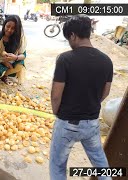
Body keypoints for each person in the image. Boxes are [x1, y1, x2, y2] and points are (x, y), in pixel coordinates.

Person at [50, 15, 113, 180]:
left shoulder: (65, 59)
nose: (69, 43)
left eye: (68, 38)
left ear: (73, 35)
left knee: (57, 167)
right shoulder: (107, 61)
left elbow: (56, 94)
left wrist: (57, 113)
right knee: (101, 165)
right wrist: (90, 103)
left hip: (67, 123)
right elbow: (106, 92)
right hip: (91, 123)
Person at [0, 15, 27, 85]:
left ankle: (5, 75)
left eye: (13, 28)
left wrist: (16, 57)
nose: (9, 30)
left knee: (20, 65)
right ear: (4, 25)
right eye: (7, 26)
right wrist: (3, 62)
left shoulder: (20, 39)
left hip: (12, 61)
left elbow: (23, 55)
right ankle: (2, 74)